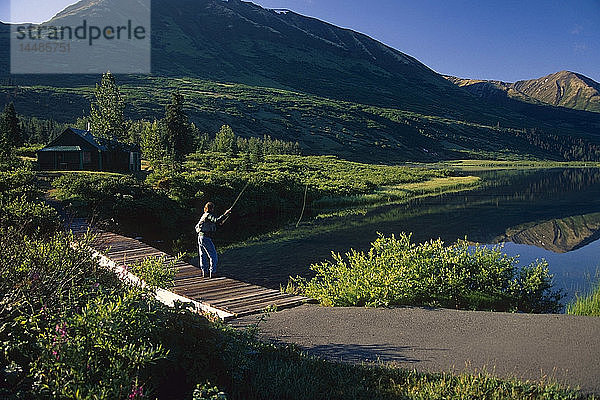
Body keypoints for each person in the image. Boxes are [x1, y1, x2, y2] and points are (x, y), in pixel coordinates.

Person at [195, 202, 232, 278]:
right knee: (213, 255)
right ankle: (213, 272)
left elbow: (217, 222)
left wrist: (226, 216)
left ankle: (205, 272)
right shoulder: (208, 215)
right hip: (205, 238)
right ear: (211, 208)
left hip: (200, 237)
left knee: (203, 255)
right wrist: (225, 214)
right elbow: (216, 220)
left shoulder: (204, 215)